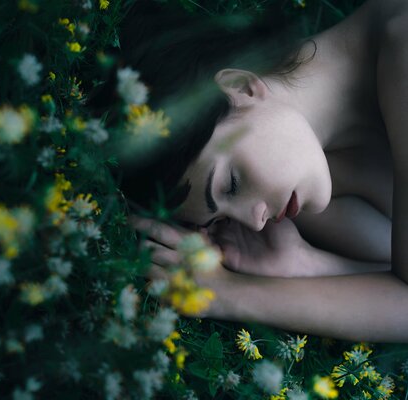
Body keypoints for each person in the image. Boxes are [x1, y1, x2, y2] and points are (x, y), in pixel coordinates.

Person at [123, 0, 408, 343]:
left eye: (231, 184)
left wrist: (228, 293)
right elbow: (397, 283)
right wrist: (306, 266)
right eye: (220, 220)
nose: (255, 222)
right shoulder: (305, 177)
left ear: (242, 88)